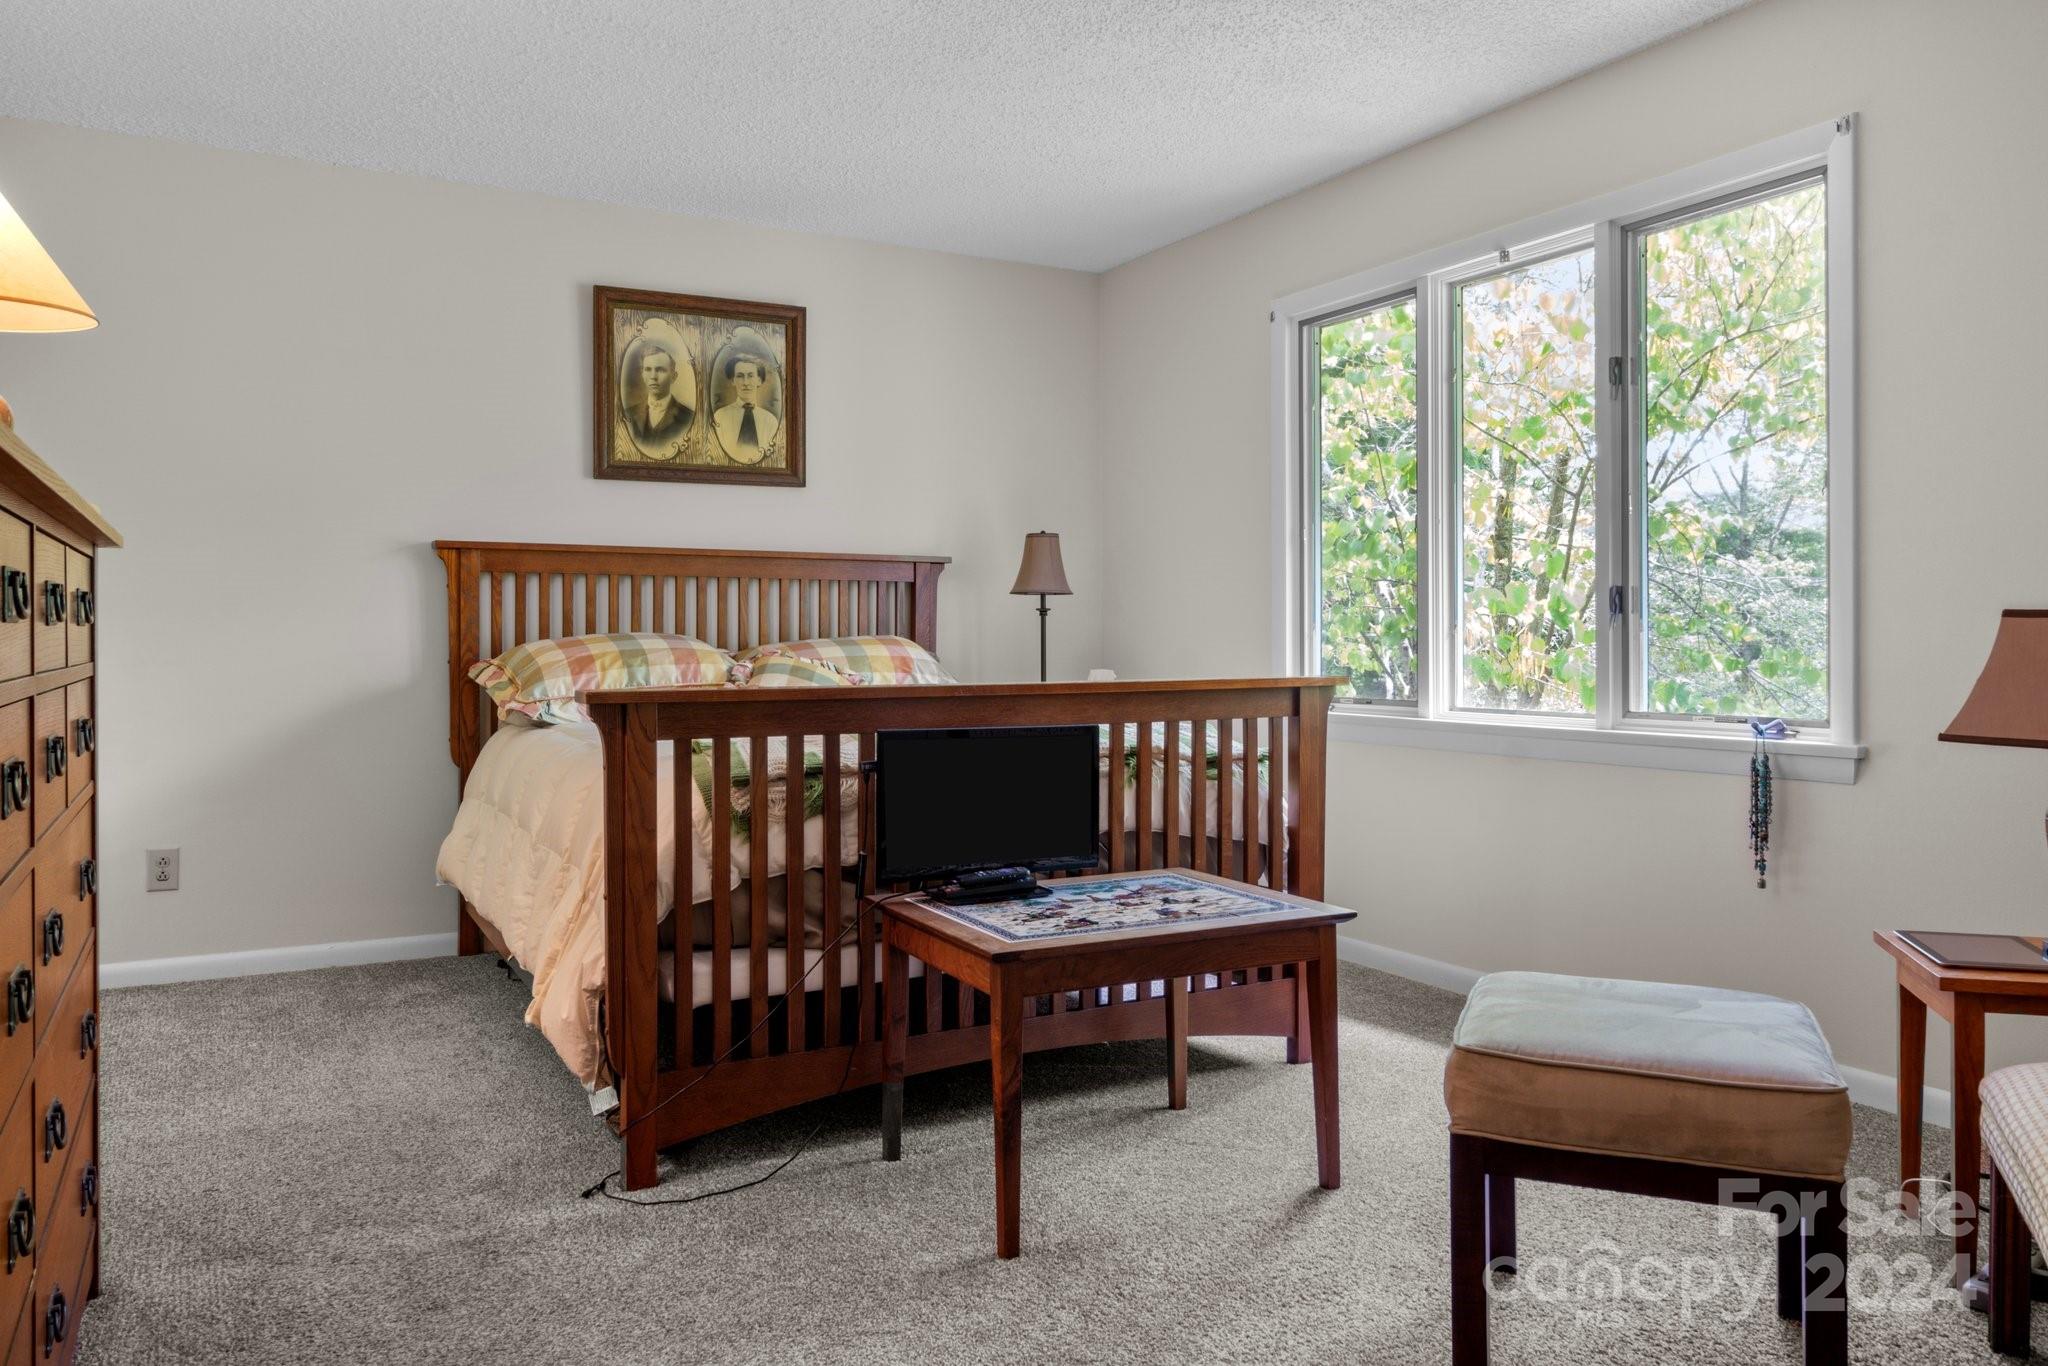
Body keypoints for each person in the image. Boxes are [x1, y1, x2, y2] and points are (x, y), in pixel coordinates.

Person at [711, 354, 781, 463]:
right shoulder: (720, 417)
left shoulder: (770, 421)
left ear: (759, 380)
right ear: (733, 381)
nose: (746, 383)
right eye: (740, 376)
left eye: (750, 376)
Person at [624, 342, 693, 448]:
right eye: (648, 369)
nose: (653, 377)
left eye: (660, 370)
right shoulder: (627, 414)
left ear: (673, 377)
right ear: (642, 374)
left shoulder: (688, 418)